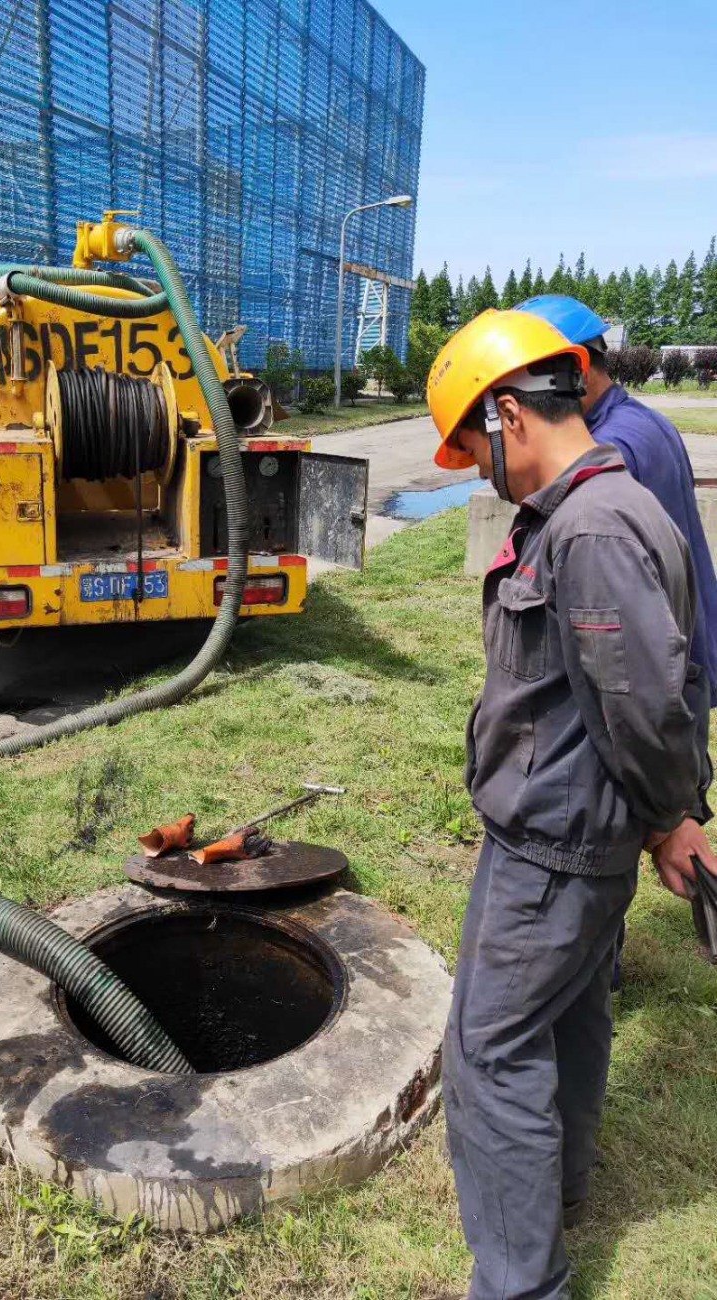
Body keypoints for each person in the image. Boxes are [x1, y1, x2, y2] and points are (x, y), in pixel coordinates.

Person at [427, 308, 716, 1300]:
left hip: (554, 848)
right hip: (582, 837)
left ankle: (519, 1281)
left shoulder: (592, 528)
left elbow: (641, 701)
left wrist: (675, 815)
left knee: (489, 1049)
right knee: (574, 1011)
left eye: (472, 445)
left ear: (510, 413)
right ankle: (562, 1192)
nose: (474, 469)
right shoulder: (605, 508)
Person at [515, 294, 717, 978]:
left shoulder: (615, 446)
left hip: (651, 664)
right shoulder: (637, 422)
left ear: (569, 369)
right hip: (670, 654)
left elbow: (610, 608)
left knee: (623, 812)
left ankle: (594, 963)